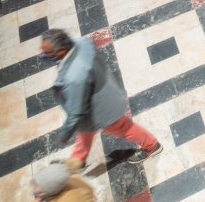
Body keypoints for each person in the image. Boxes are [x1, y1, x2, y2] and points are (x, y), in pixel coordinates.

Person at [39, 29, 162, 166]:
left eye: (47, 53)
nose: (43, 55)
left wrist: (65, 134)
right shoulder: (82, 42)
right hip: (105, 93)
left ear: (61, 50)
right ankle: (78, 161)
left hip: (103, 109)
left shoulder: (75, 76)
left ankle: (152, 146)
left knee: (123, 128)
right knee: (85, 130)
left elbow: (76, 111)